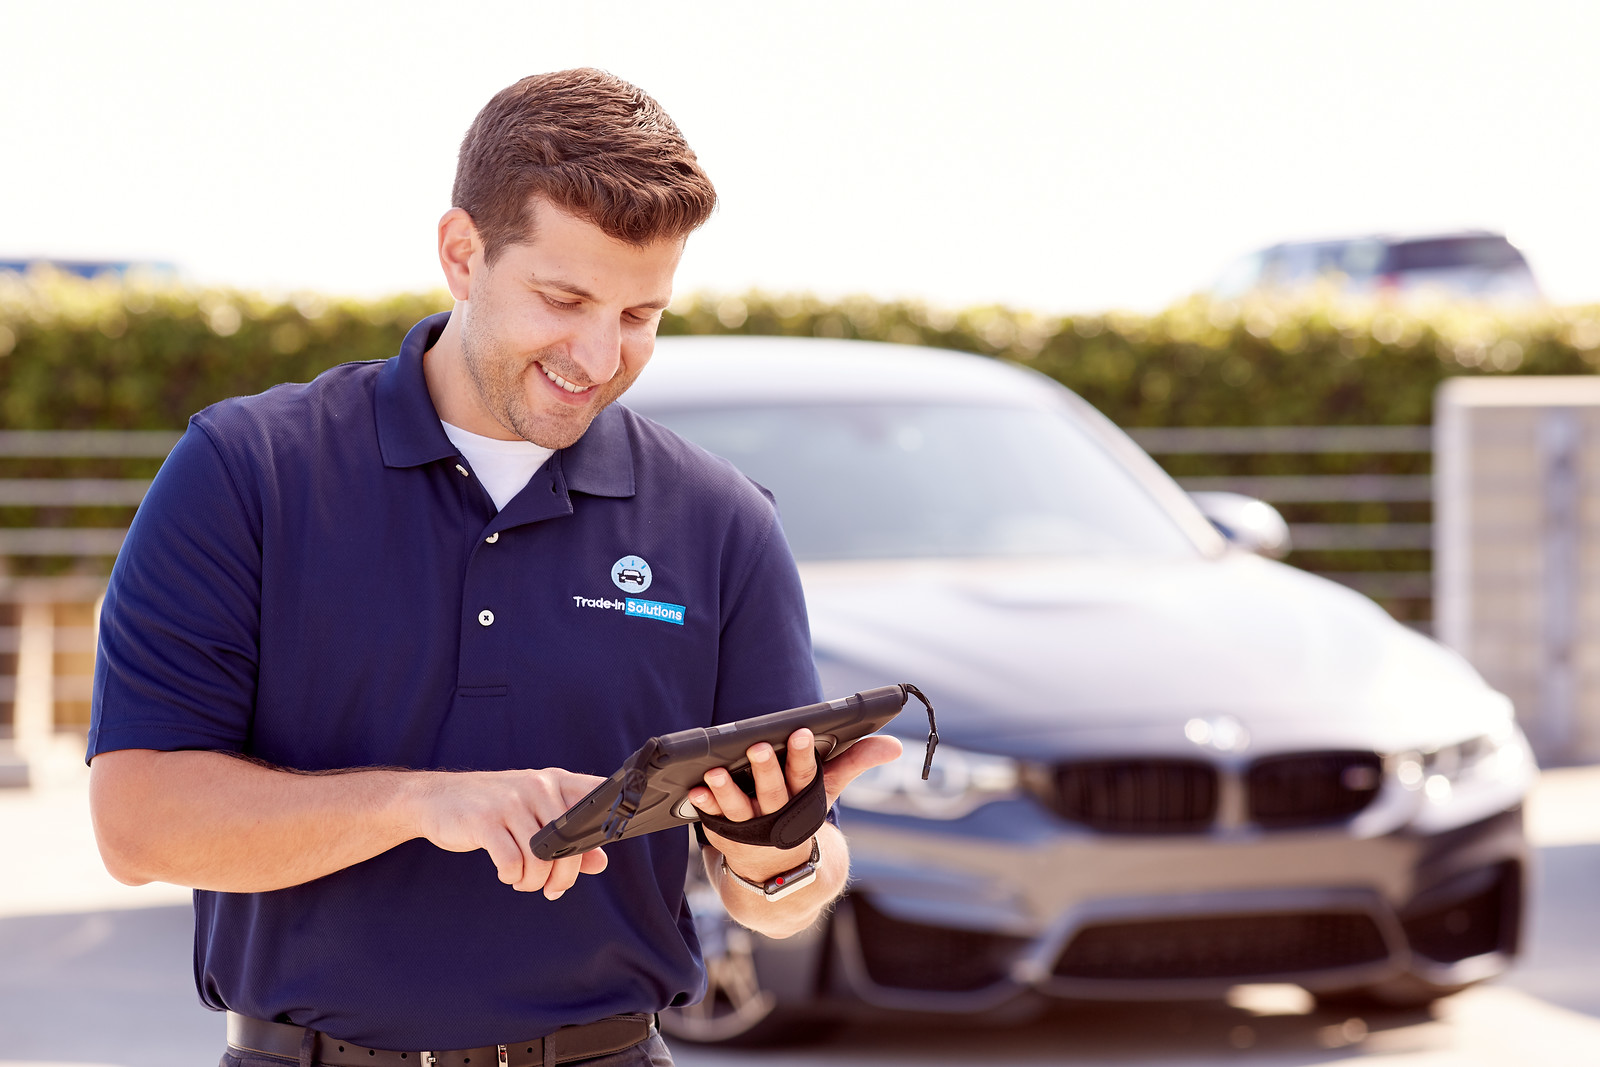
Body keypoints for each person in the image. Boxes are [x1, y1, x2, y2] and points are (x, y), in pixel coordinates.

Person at [86, 69, 899, 1067]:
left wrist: (777, 855)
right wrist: (421, 802)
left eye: (641, 314)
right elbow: (137, 825)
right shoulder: (246, 473)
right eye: (564, 298)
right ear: (462, 254)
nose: (598, 354)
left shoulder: (720, 520)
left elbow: (778, 900)